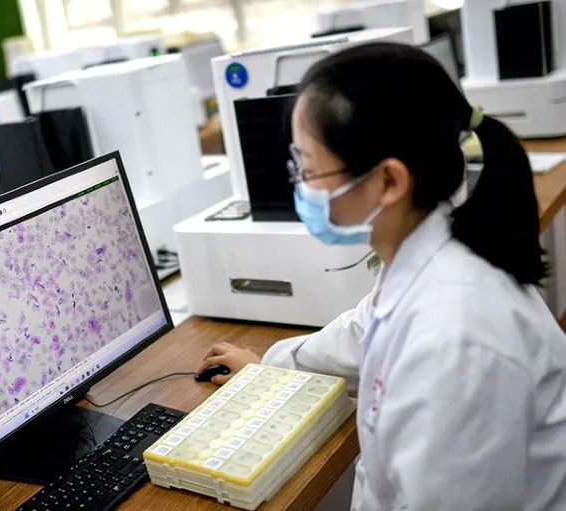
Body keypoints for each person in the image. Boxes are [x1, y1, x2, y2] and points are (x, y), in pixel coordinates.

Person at [198, 42, 566, 509]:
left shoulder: (457, 338)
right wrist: (270, 368)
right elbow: (366, 326)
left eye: (308, 169)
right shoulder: (431, 246)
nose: (300, 186)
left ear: (389, 181)